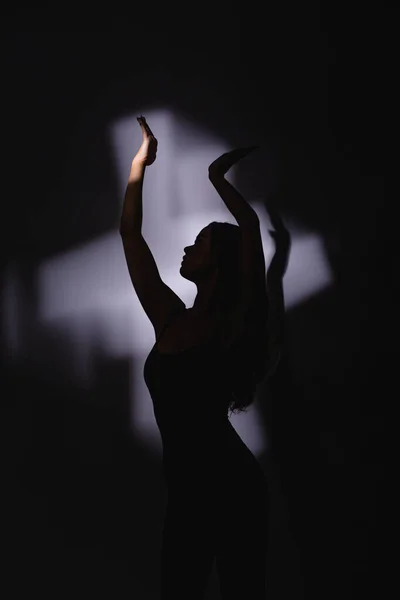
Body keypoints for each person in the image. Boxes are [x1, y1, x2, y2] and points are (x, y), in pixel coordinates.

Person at [119, 116, 290, 599]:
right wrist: (139, 167)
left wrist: (217, 180)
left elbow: (251, 228)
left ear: (217, 263)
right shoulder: (170, 318)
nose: (189, 246)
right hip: (187, 495)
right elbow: (131, 234)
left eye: (200, 243)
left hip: (233, 490)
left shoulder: (231, 326)